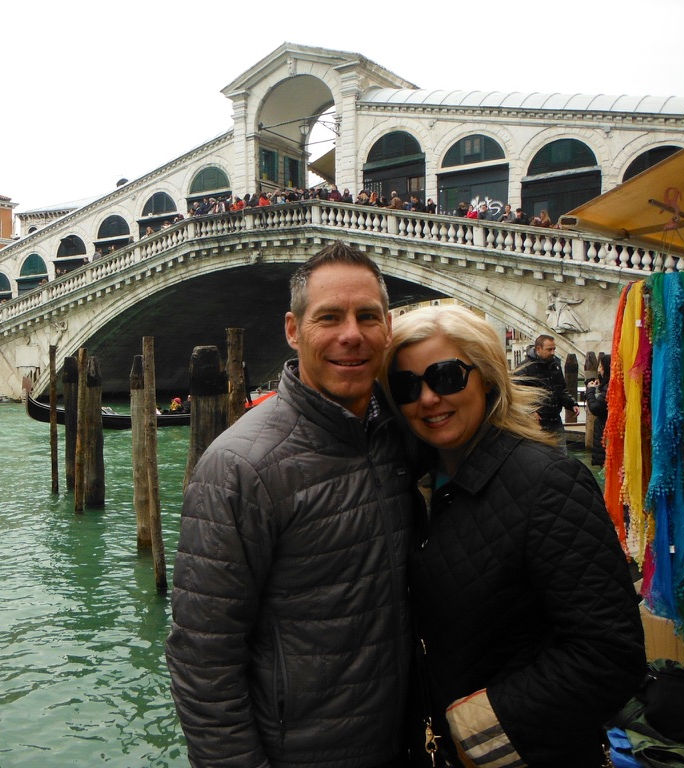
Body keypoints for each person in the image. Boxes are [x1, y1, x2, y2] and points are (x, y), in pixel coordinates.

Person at [166, 241, 419, 767]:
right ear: (292, 329)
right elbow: (203, 662)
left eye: (367, 316)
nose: (351, 334)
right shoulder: (237, 469)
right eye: (329, 317)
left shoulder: (405, 433)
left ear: (387, 328)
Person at [379, 305, 644, 767]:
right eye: (406, 387)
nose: (427, 398)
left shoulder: (550, 484)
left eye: (445, 377)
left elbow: (610, 655)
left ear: (486, 377)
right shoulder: (409, 486)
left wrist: (475, 728)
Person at [514, 333, 579, 444]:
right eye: (549, 349)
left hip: (555, 419)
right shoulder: (524, 368)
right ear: (538, 349)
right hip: (536, 421)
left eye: (554, 349)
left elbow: (561, 389)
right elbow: (516, 394)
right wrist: (530, 411)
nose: (553, 352)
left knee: (561, 454)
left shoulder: (555, 365)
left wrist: (572, 404)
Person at [585, 353, 610, 466]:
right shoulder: (608, 385)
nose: (599, 370)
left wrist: (590, 390)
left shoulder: (608, 388)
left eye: (600, 367)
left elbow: (595, 408)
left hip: (604, 432)